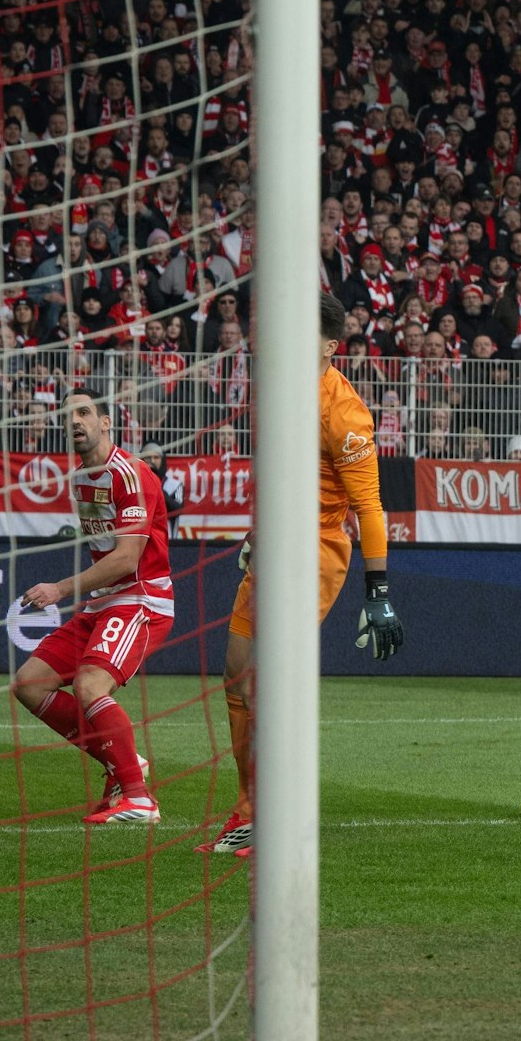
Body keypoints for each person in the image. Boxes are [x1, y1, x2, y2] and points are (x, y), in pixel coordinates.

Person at [201, 291, 403, 856]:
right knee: (236, 675)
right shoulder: (279, 390)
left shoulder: (345, 411)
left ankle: (278, 817)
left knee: (266, 681)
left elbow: (370, 507)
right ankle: (248, 810)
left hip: (315, 550)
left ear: (330, 346)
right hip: (274, 546)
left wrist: (378, 592)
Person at [8, 387, 172, 825]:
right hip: (102, 604)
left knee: (90, 686)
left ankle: (139, 799)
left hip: (141, 600)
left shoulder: (131, 474)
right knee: (28, 684)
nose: (75, 421)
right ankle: (126, 764)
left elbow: (126, 558)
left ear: (106, 421)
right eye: (68, 416)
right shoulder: (80, 478)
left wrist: (60, 589)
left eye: (84, 412)